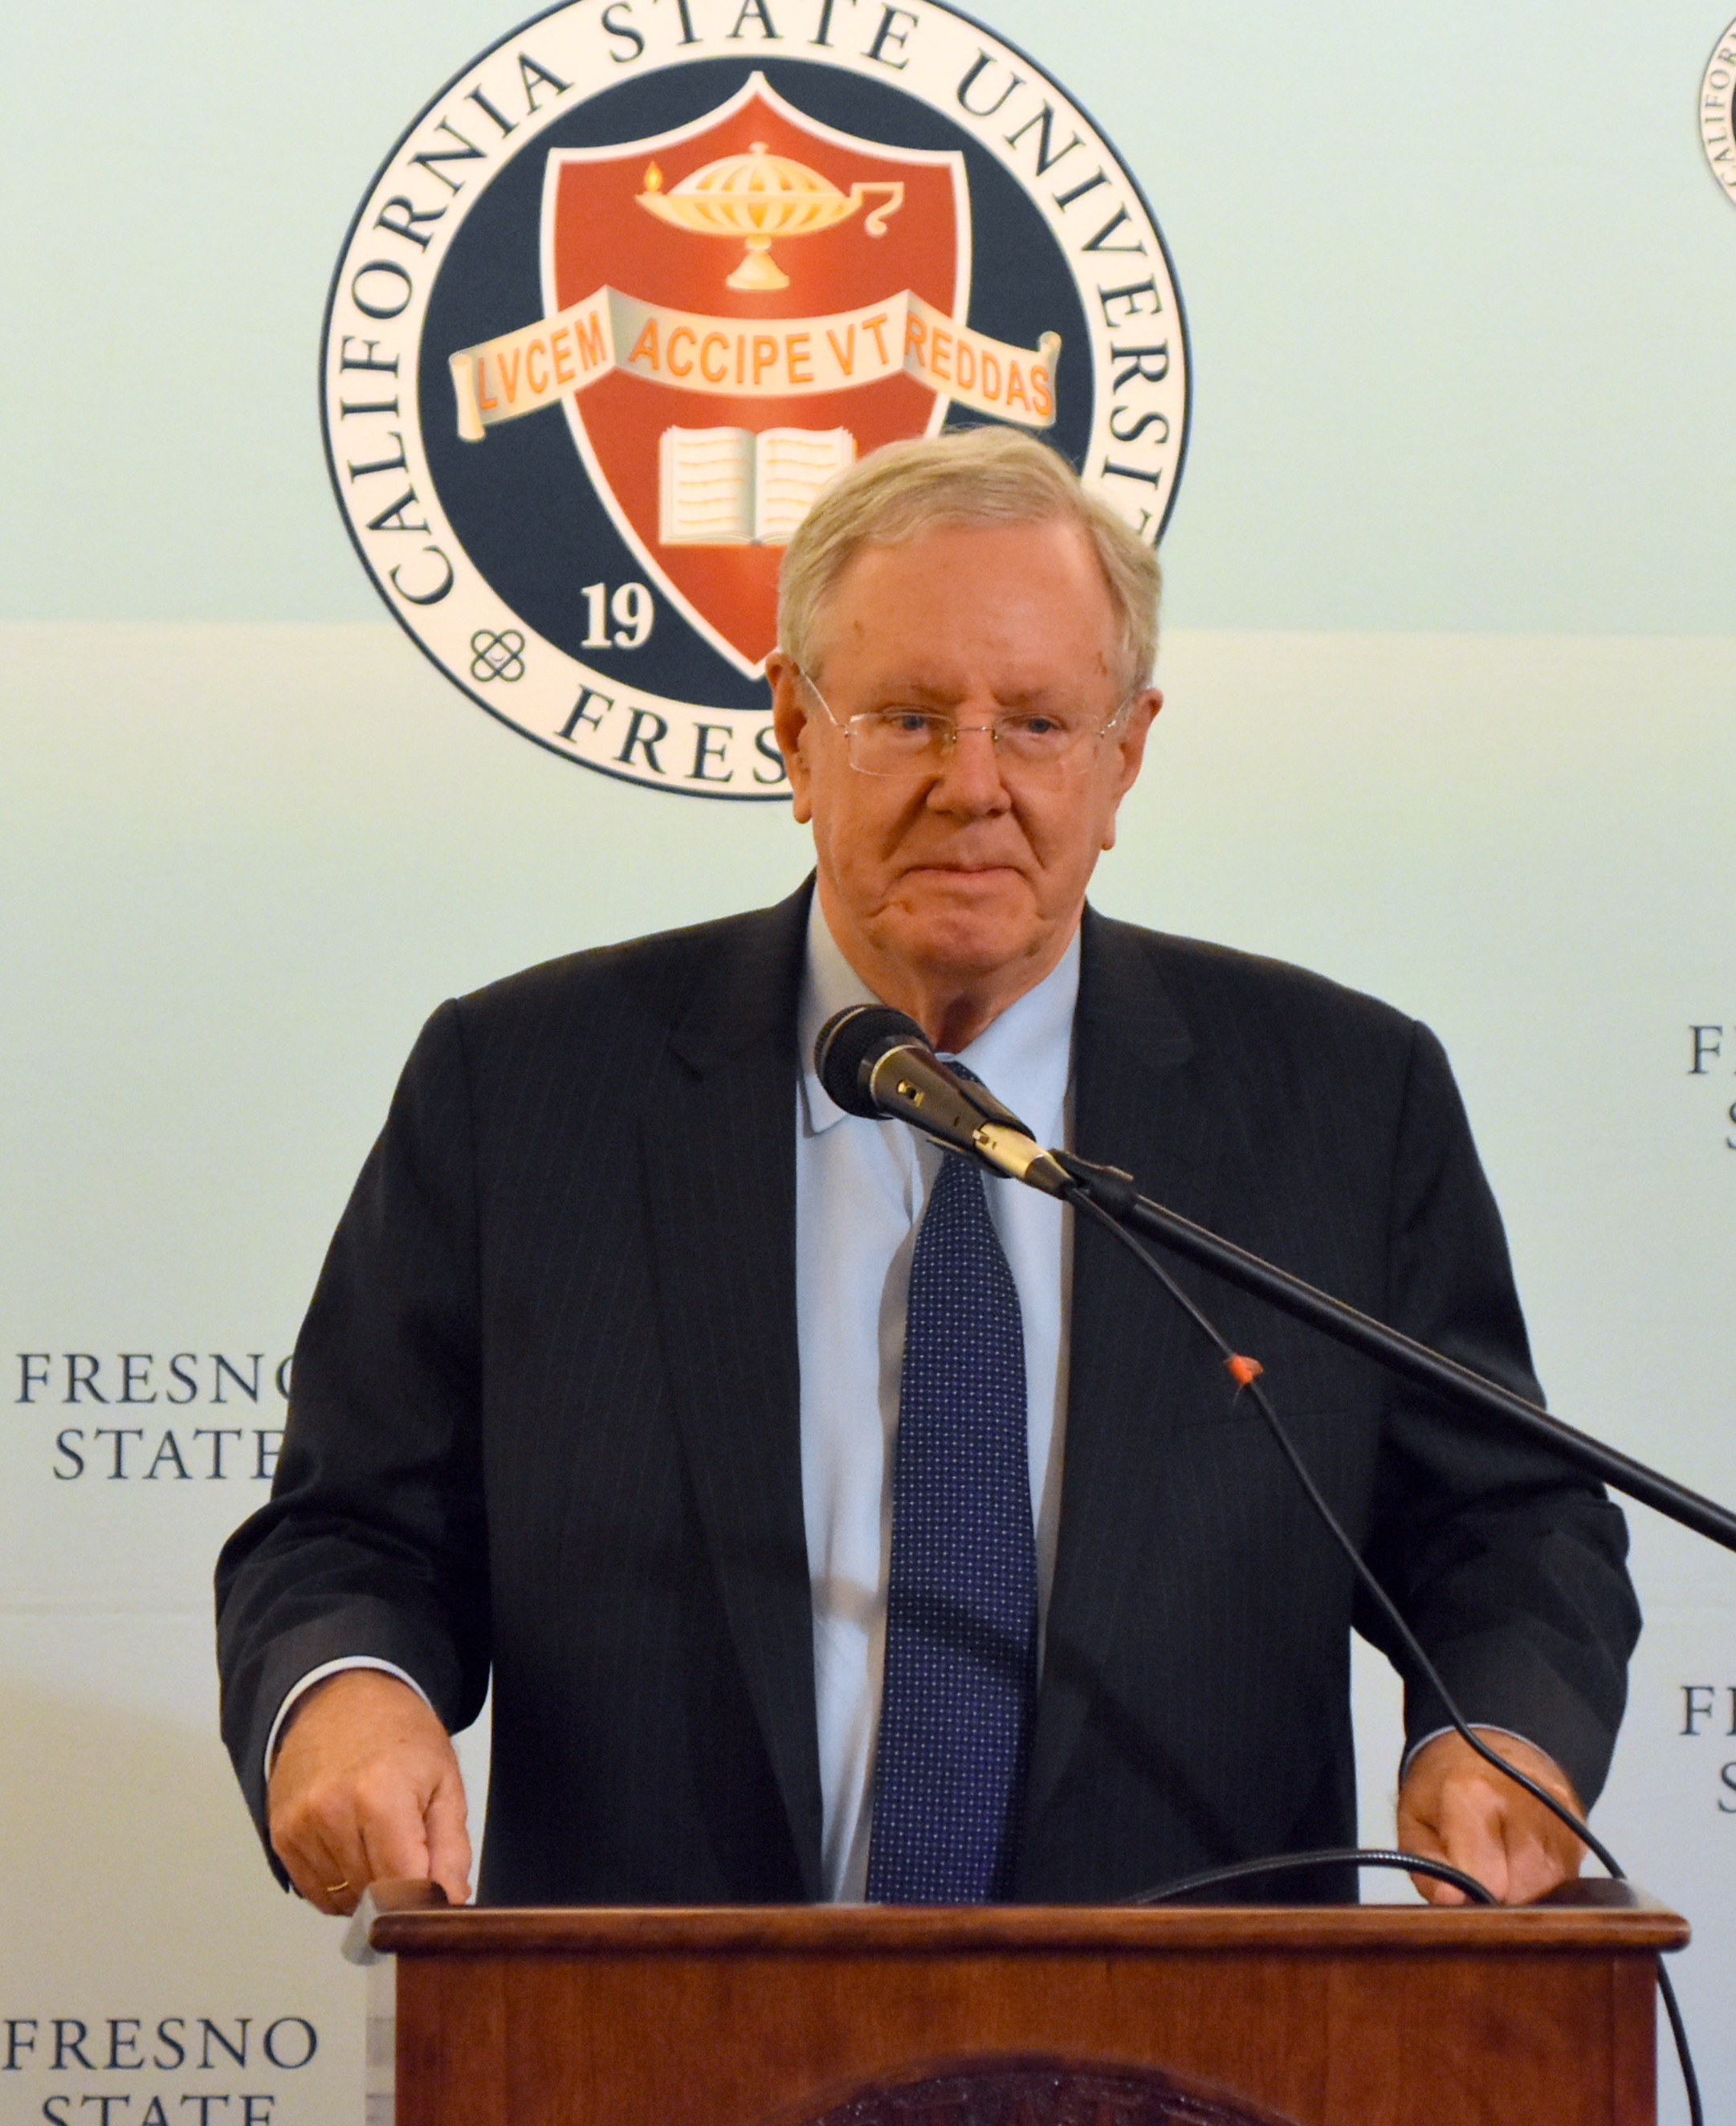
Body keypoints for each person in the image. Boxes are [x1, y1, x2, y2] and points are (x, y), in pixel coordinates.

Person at [216, 428, 1638, 1917]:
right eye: (905, 717)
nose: (974, 784)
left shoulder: (1342, 1099)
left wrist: (1497, 1728)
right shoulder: (525, 1087)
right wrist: (346, 1688)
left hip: (1191, 2022)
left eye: (1036, 723)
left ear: (1124, 755)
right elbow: (348, 1530)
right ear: (793, 728)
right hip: (656, 2014)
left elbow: (1506, 1528)